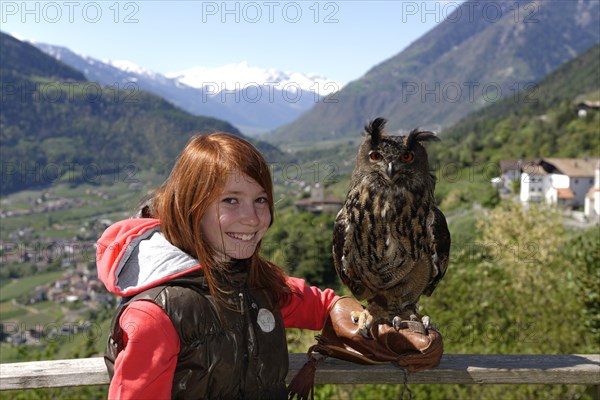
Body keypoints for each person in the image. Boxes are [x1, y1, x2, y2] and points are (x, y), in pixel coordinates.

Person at [96, 132, 442, 399]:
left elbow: (315, 304)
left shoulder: (249, 280)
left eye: (261, 200)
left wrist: (381, 324)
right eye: (230, 200)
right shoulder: (156, 316)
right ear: (192, 205)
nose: (251, 218)